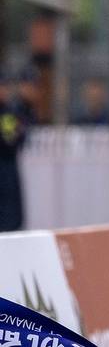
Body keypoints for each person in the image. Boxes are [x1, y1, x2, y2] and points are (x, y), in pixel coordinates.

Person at [0, 67, 38, 231]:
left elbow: (12, 140)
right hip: (5, 169)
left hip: (8, 170)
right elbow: (10, 142)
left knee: (12, 218)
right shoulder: (9, 113)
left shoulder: (10, 112)